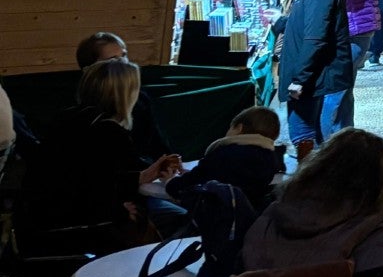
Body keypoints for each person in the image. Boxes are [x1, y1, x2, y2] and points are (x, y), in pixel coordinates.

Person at [28, 58, 182, 246]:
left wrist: (141, 176)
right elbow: (94, 193)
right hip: (69, 228)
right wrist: (120, 211)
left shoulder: (69, 117)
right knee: (179, 220)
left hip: (37, 219)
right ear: (125, 95)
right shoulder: (108, 132)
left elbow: (87, 178)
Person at [242, 126, 383, 277]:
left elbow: (246, 261)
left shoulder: (278, 209)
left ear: (320, 162)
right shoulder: (374, 224)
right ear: (379, 179)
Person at [276, 0, 353, 146]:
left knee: (310, 139)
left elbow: (315, 37)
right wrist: (280, 23)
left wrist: (300, 79)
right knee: (309, 138)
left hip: (319, 79)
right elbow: (305, 25)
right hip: (314, 78)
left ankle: (314, 178)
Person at [73, 32, 170, 163]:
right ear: (91, 69)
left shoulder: (139, 98)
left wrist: (169, 160)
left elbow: (155, 139)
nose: (123, 63)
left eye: (124, 56)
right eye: (113, 60)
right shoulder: (86, 110)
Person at [172, 105, 283, 214]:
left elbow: (180, 188)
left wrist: (168, 180)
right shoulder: (272, 158)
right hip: (248, 218)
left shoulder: (224, 154)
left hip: (215, 219)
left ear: (239, 128)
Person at [336, 0, 381, 126]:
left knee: (342, 83)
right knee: (345, 85)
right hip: (356, 27)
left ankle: (341, 133)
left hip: (359, 29)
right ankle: (345, 132)